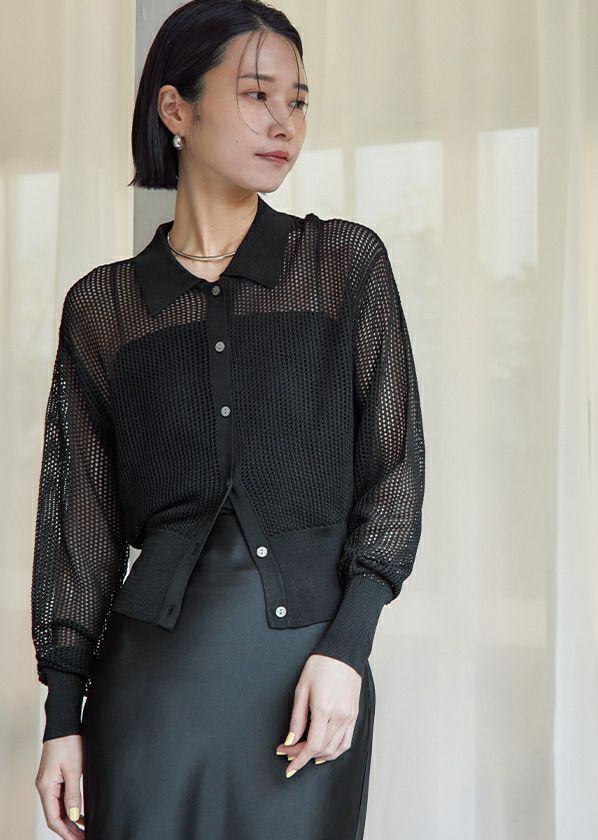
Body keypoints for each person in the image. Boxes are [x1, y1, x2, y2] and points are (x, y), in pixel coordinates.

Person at [31, 1, 426, 838]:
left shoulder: (341, 266)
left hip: (306, 676)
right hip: (147, 689)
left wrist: (347, 649)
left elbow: (394, 472)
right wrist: (62, 717)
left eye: (298, 99)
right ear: (176, 110)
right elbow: (78, 527)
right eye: (256, 93)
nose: (284, 121)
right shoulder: (105, 308)